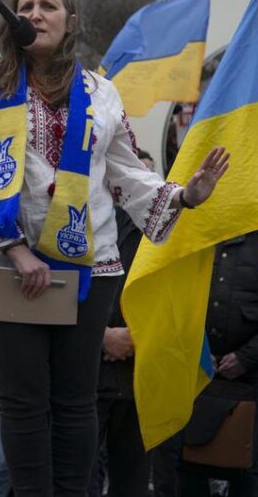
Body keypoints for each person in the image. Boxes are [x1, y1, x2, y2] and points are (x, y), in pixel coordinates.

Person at [0, 0, 228, 496]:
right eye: (26, 6)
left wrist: (183, 196)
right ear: (10, 20)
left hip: (87, 266)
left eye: (47, 6)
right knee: (23, 402)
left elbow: (126, 173)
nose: (36, 14)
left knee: (77, 401)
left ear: (70, 19)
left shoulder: (101, 93)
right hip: (8, 269)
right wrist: (14, 250)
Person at [177, 226, 258, 497]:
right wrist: (198, 350)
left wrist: (245, 358)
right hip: (198, 368)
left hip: (249, 375)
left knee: (245, 462)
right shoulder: (200, 236)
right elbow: (180, 300)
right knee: (190, 457)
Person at [89, 149, 156, 497]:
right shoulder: (80, 222)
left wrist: (138, 338)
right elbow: (57, 291)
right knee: (79, 477)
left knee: (132, 481)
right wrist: (100, 336)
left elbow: (174, 301)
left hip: (139, 378)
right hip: (86, 375)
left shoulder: (161, 237)